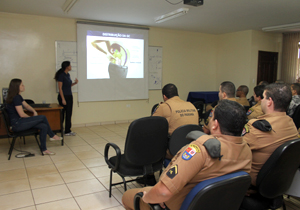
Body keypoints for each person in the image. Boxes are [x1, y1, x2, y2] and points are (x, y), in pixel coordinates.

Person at [122, 100, 252, 210]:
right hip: (215, 204)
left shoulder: (200, 150)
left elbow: (162, 192)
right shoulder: (246, 150)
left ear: (215, 124)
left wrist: (147, 196)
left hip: (176, 205)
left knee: (127, 197)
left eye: (211, 118)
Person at [243, 83, 299, 186]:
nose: (261, 101)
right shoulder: (291, 124)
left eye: (263, 97)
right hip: (279, 182)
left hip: (254, 183)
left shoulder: (255, 127)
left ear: (270, 101)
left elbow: (236, 151)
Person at [5, 79, 63, 155]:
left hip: (19, 122)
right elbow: (22, 114)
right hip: (17, 124)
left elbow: (27, 106)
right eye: (22, 85)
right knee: (42, 117)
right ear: (17, 87)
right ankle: (52, 135)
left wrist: (34, 111)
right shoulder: (16, 98)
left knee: (43, 126)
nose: (24, 86)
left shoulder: (18, 96)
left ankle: (44, 149)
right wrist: (32, 118)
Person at [54, 61, 78, 136]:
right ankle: (59, 129)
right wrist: (63, 99)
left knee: (69, 113)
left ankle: (67, 130)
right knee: (62, 114)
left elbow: (68, 85)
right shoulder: (61, 75)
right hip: (63, 96)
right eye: (70, 65)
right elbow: (60, 88)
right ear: (67, 67)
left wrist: (75, 83)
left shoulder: (68, 75)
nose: (71, 66)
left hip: (69, 96)